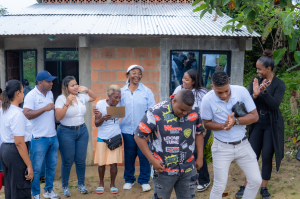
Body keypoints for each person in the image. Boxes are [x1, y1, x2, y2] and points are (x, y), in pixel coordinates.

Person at [201, 71, 262, 199]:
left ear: (229, 83)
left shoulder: (241, 91)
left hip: (243, 144)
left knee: (256, 180)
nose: (223, 95)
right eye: (219, 92)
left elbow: (255, 116)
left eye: (226, 91)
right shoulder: (207, 99)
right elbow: (206, 123)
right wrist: (223, 126)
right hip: (221, 147)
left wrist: (235, 121)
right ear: (212, 87)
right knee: (219, 186)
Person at [135, 89, 205, 199]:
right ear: (174, 100)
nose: (185, 113)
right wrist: (152, 160)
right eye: (182, 110)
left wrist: (200, 157)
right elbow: (139, 136)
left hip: (188, 168)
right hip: (163, 169)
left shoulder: (195, 110)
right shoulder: (155, 112)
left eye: (188, 110)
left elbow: (199, 133)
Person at [235, 50, 285, 199]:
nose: (257, 71)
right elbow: (248, 102)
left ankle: (264, 188)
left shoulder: (279, 84)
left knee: (268, 156)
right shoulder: (254, 81)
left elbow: (275, 105)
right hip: (257, 122)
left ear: (268, 69)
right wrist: (255, 94)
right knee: (251, 155)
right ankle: (247, 185)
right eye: (257, 69)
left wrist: (264, 92)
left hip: (271, 123)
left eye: (259, 69)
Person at [55, 76, 96, 197]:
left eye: (76, 84)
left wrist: (87, 89)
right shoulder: (61, 99)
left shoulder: (81, 96)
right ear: (66, 87)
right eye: (72, 85)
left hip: (82, 131)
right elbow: (59, 117)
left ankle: (81, 184)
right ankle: (65, 186)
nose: (76, 87)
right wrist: (67, 103)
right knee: (67, 161)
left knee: (80, 160)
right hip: (66, 132)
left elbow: (94, 97)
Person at [23, 71, 60, 199]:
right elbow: (26, 113)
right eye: (48, 81)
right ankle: (36, 194)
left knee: (51, 166)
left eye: (52, 81)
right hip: (38, 138)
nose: (51, 83)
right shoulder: (31, 95)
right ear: (40, 83)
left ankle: (48, 190)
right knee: (37, 169)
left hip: (52, 136)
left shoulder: (50, 93)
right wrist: (44, 108)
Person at [173, 69, 211, 192]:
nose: (183, 81)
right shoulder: (179, 90)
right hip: (185, 128)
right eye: (183, 78)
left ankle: (205, 180)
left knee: (197, 152)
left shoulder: (202, 93)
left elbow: (206, 112)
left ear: (194, 81)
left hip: (201, 127)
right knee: (188, 152)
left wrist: (203, 127)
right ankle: (193, 177)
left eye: (187, 79)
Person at [120, 65, 156, 192]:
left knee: (144, 155)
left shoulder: (147, 92)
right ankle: (129, 179)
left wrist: (149, 131)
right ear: (128, 75)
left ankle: (144, 180)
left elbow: (152, 112)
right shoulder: (121, 91)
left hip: (143, 131)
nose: (137, 75)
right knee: (129, 155)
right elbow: (116, 109)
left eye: (139, 73)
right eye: (134, 73)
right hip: (127, 130)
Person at [0, 80, 33, 199]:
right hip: (16, 152)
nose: (24, 95)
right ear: (18, 93)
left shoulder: (4, 109)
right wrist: (29, 165)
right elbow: (19, 142)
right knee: (20, 187)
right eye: (23, 92)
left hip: (5, 149)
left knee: (10, 185)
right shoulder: (17, 114)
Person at [94, 85, 123, 194]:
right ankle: (101, 184)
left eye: (119, 97)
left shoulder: (120, 105)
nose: (118, 100)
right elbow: (96, 124)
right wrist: (103, 118)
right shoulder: (100, 104)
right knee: (101, 163)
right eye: (115, 97)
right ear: (109, 95)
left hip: (115, 137)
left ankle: (112, 184)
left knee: (113, 164)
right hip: (102, 137)